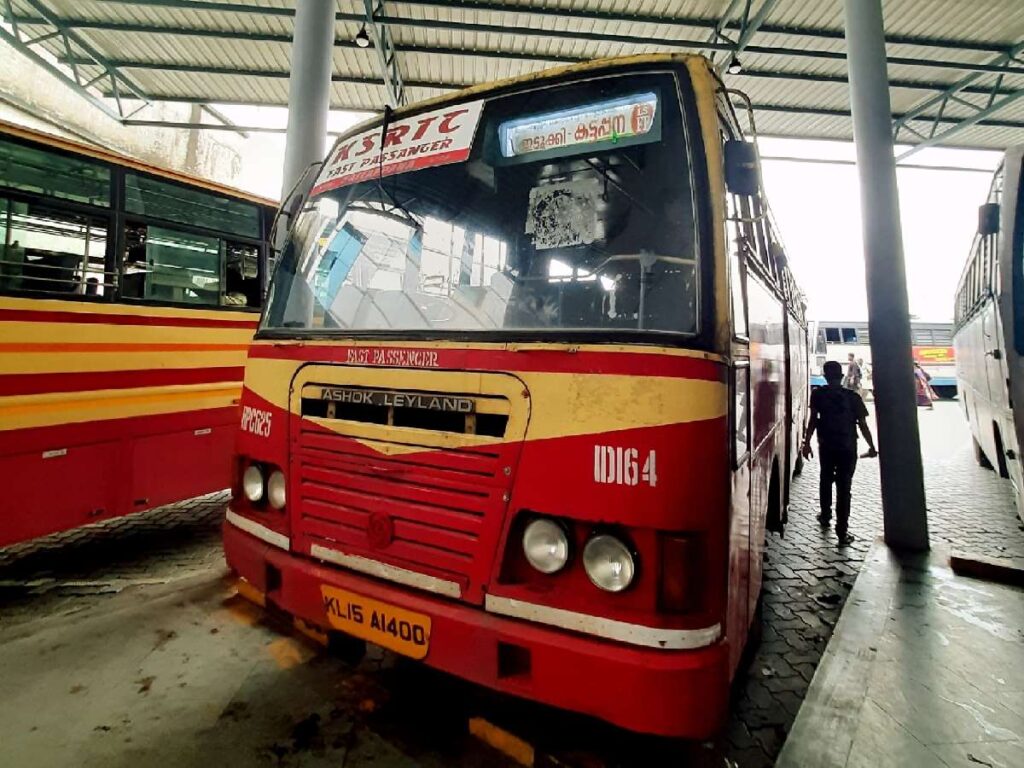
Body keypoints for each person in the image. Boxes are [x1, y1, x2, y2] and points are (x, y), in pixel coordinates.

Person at [802, 360, 878, 546]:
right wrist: (872, 446)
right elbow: (863, 425)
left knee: (826, 479)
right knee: (844, 488)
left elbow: (812, 420)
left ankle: (825, 514)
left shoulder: (818, 395)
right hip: (847, 447)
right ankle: (842, 532)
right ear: (842, 376)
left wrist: (806, 442)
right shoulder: (853, 397)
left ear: (825, 376)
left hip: (826, 445)